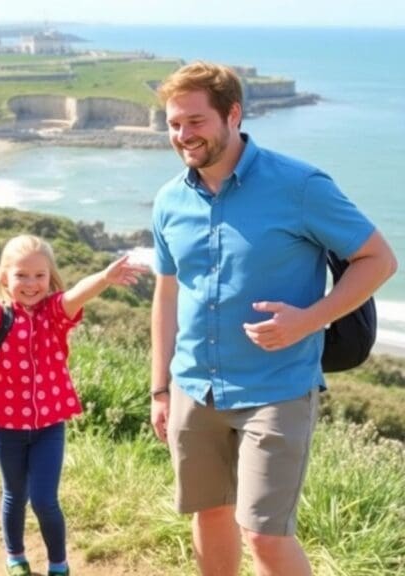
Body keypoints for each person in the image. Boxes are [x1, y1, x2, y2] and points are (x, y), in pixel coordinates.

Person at [150, 61, 398, 576]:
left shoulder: (300, 184)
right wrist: (160, 389)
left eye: (195, 121)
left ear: (232, 114)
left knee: (264, 534)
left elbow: (378, 259)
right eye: (174, 124)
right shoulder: (169, 200)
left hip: (277, 388)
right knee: (209, 514)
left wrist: (310, 320)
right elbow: (167, 293)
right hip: (194, 389)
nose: (182, 135)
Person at [0, 234, 147, 576]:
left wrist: (104, 279)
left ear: (50, 278)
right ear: (5, 277)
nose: (31, 283)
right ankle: (15, 556)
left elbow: (77, 293)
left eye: (40, 275)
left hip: (49, 425)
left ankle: (58, 563)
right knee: (14, 494)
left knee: (44, 499)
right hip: (5, 426)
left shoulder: (55, 312)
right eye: (21, 274)